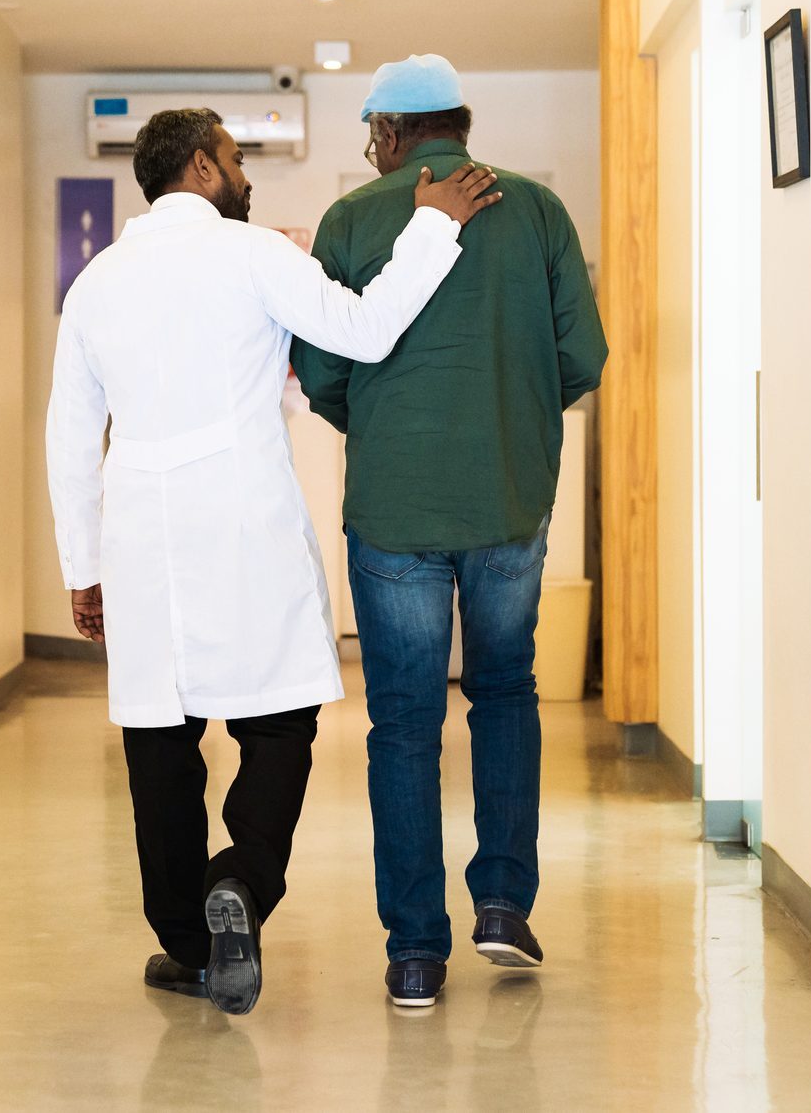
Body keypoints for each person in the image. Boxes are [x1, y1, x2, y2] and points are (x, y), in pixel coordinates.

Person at [46, 107, 500, 1015]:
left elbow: (68, 436)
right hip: (240, 515)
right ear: (205, 170)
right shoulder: (252, 256)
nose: (244, 172)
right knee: (281, 722)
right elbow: (366, 329)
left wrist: (83, 565)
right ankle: (242, 885)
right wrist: (434, 224)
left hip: (142, 529)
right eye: (237, 156)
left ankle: (186, 943)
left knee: (158, 745)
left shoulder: (96, 281)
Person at [290, 55, 609, 1008]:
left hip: (395, 509)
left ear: (387, 134)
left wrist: (387, 429)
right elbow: (581, 353)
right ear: (459, 125)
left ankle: (416, 953)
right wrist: (510, 416)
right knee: (507, 691)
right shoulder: (541, 210)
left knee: (404, 721)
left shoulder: (352, 220)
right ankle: (505, 905)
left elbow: (321, 368)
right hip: (510, 496)